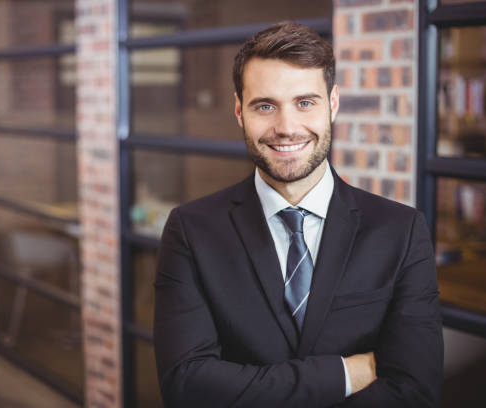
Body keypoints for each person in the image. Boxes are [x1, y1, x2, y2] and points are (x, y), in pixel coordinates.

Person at [154, 22, 443, 407]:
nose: (286, 128)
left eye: (305, 102)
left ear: (333, 104)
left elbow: (415, 390)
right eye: (265, 106)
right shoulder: (191, 230)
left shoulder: (401, 231)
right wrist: (345, 373)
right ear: (239, 110)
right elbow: (187, 384)